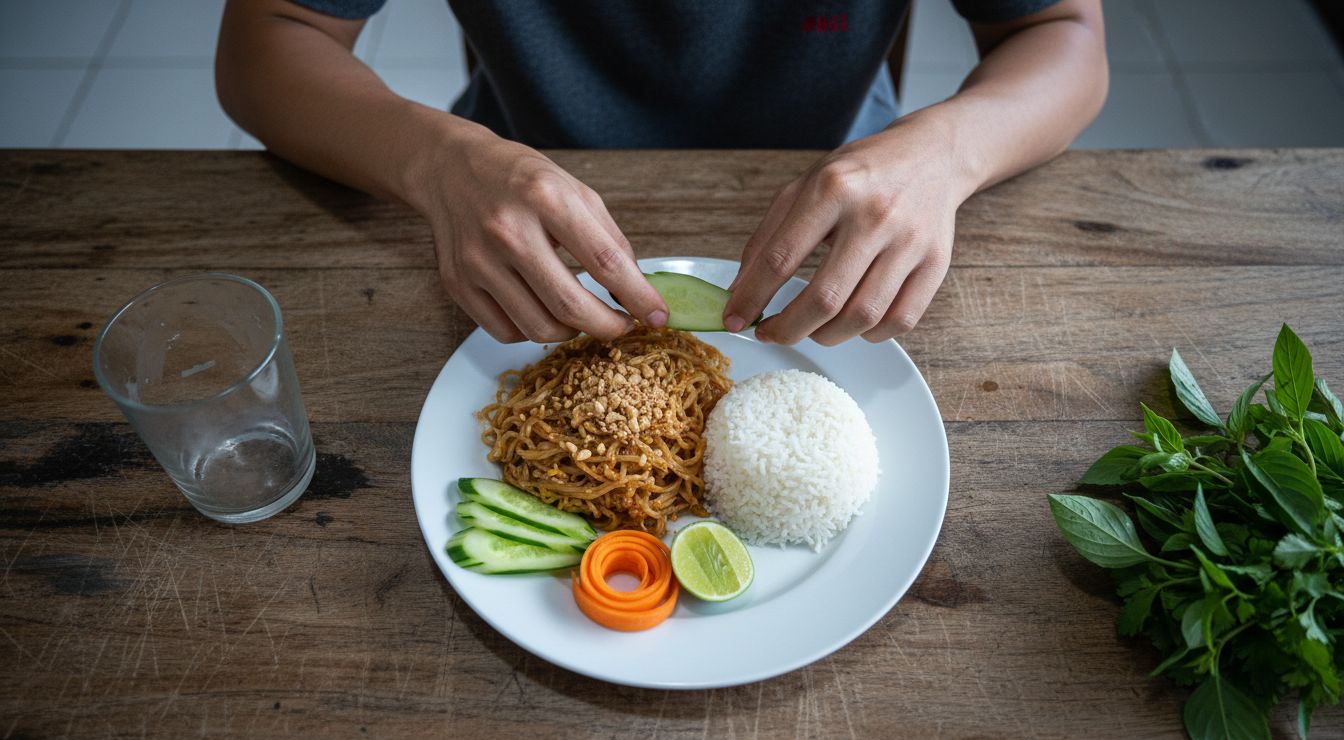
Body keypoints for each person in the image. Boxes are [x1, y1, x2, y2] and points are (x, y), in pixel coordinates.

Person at [216, 0, 1106, 345]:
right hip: (505, 188)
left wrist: (949, 151)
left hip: (861, 187)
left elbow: (1063, 35)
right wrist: (435, 160)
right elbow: (268, 39)